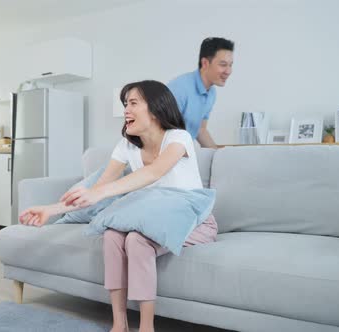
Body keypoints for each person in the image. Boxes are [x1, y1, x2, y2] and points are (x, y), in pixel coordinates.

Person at [19, 80, 217, 332]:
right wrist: (51, 209)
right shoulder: (126, 146)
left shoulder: (179, 138)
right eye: (125, 104)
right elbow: (95, 191)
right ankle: (119, 323)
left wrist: (100, 192)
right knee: (112, 235)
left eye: (133, 103)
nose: (126, 110)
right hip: (155, 217)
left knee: (136, 240)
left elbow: (153, 173)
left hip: (195, 221)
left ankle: (146, 327)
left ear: (156, 109)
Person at [167, 37, 234, 148]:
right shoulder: (180, 88)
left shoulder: (211, 93)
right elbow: (163, 132)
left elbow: (200, 130)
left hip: (181, 153)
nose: (228, 71)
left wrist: (218, 152)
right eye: (223, 65)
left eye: (230, 65)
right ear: (205, 63)